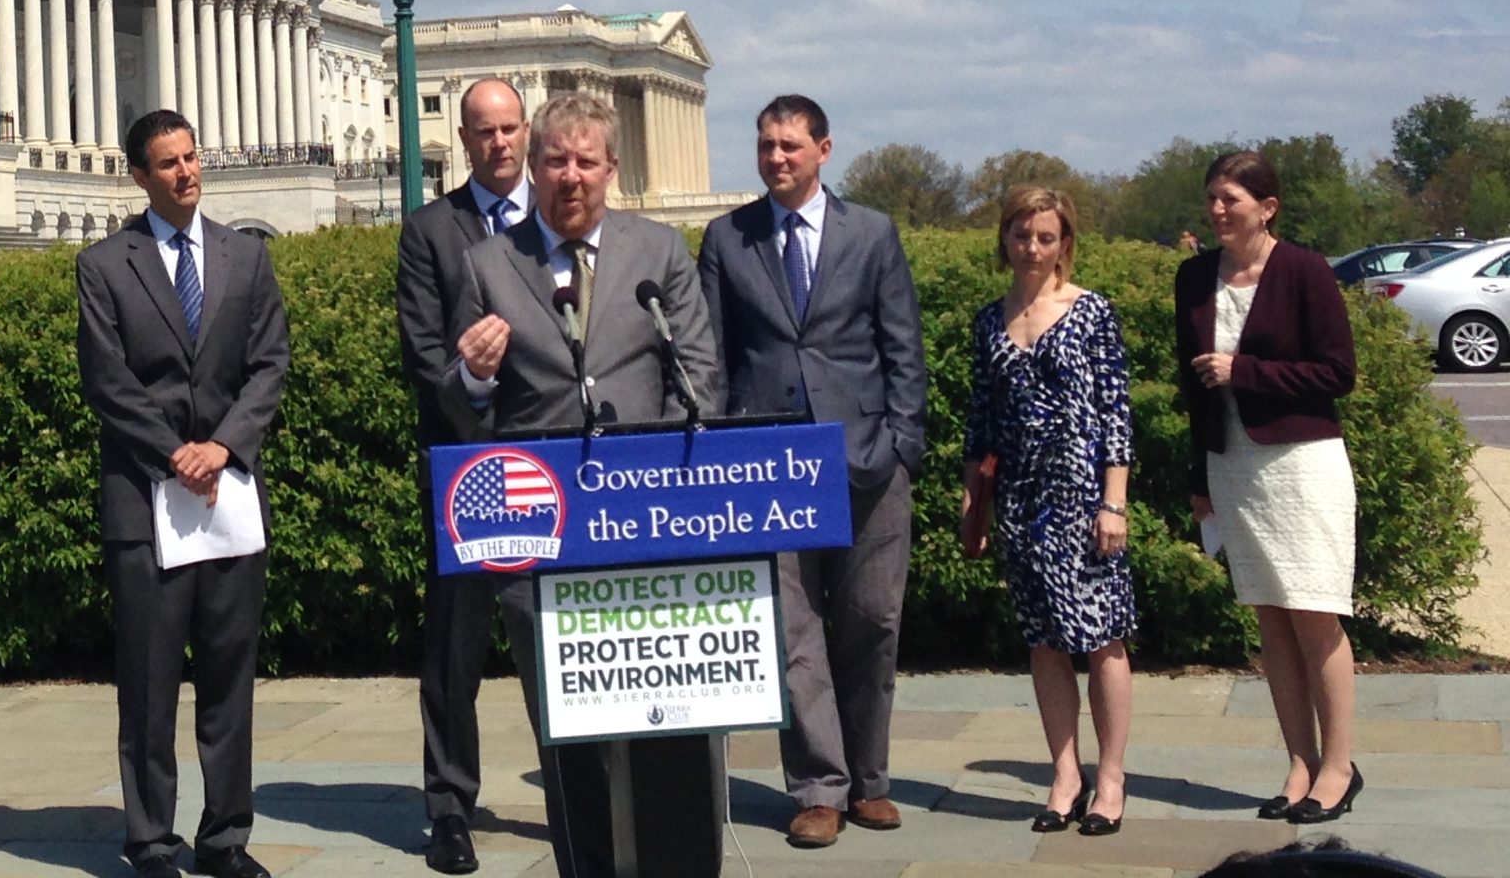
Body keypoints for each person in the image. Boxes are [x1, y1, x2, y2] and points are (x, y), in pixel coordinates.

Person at [443, 92, 724, 878]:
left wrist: (662, 486)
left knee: (660, 729)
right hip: (544, 543)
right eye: (556, 161)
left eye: (586, 162)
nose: (572, 176)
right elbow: (464, 403)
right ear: (533, 168)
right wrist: (472, 372)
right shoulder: (490, 263)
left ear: (612, 169)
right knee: (568, 736)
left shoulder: (660, 252)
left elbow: (696, 375)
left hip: (651, 535)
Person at [698, 95, 928, 850]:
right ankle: (819, 789)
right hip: (768, 466)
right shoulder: (727, 239)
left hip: (865, 458)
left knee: (871, 622)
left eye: (790, 146)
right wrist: (729, 451)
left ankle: (871, 781)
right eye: (766, 146)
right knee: (794, 632)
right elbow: (715, 358)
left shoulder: (872, 233)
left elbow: (903, 347)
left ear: (824, 149)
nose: (776, 158)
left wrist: (902, 445)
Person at [77, 109, 292, 878]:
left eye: (192, 157)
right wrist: (175, 452)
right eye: (167, 163)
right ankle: (151, 840)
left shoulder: (244, 258)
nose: (186, 172)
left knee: (230, 679)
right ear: (139, 176)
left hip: (228, 496)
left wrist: (223, 446)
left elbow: (269, 365)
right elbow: (109, 383)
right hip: (146, 500)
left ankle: (226, 837)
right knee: (149, 682)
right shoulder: (106, 266)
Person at [1174, 148, 1363, 826]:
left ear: (1268, 206)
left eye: (1232, 199)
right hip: (1235, 468)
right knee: (1270, 621)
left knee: (1314, 614)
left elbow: (1337, 373)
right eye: (1213, 198)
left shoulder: (1306, 272)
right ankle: (1298, 763)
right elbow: (1192, 389)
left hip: (1303, 464)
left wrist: (1244, 371)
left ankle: (1339, 767)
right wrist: (1200, 477)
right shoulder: (1194, 276)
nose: (1219, 210)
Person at [961, 186, 1135, 837]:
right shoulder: (988, 321)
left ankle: (1110, 778)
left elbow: (1116, 413)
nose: (1032, 247)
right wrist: (971, 508)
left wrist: (1113, 503)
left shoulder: (1091, 312)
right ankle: (1065, 774)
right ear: (1004, 238)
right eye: (1021, 235)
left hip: (1084, 502)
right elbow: (980, 428)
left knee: (1103, 639)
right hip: (1021, 505)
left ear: (1065, 242)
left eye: (1045, 236)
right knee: (1043, 640)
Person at [394, 78, 530, 874]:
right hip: (466, 462)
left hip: (551, 459)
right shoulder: (429, 230)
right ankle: (449, 806)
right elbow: (423, 351)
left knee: (553, 634)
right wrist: (472, 382)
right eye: (485, 131)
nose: (500, 142)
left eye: (511, 128)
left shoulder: (555, 219)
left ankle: (577, 787)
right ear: (465, 137)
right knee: (455, 646)